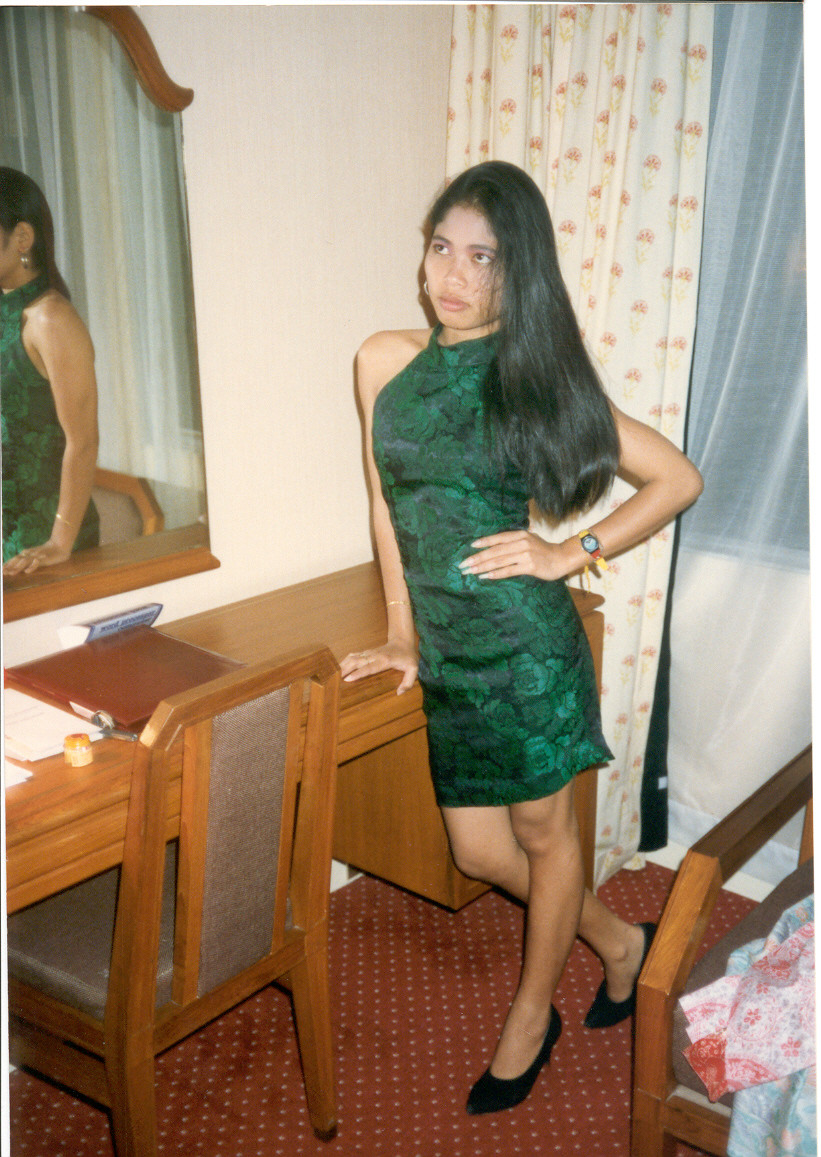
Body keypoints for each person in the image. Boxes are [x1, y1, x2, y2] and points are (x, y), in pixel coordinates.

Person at [341, 161, 703, 1115]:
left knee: (545, 838)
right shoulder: (381, 361)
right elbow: (385, 507)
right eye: (441, 248)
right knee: (476, 853)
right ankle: (618, 941)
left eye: (482, 257)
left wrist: (564, 552)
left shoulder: (532, 377)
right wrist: (401, 633)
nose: (452, 275)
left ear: (518, 270)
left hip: (524, 650)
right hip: (448, 654)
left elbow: (675, 478)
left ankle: (531, 1015)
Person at [1, 167, 99, 575]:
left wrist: (59, 542)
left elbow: (84, 441)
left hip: (42, 542)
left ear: (22, 237)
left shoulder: (51, 319)